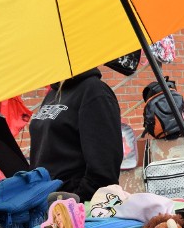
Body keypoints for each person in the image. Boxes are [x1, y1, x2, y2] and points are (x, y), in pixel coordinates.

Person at [29, 67, 123, 202]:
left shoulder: (95, 92)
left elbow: (104, 169)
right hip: (43, 202)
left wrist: (74, 201)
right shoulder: (54, 93)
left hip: (72, 208)